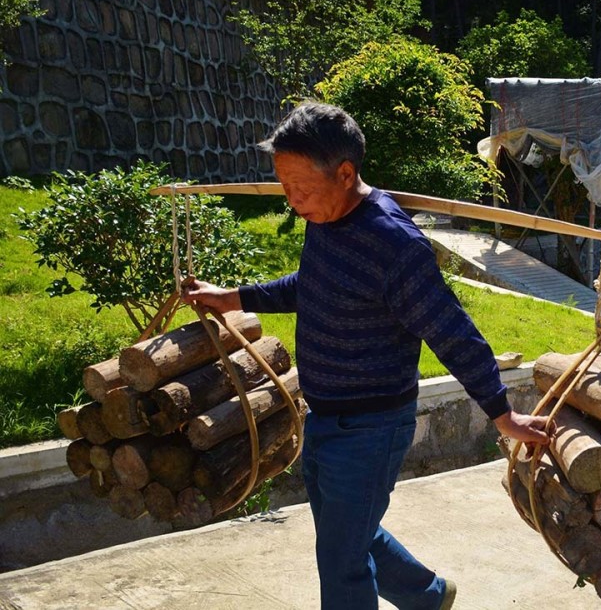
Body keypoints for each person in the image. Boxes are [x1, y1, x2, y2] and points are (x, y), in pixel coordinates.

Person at [181, 102, 550, 610]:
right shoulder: (326, 216)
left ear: (346, 173)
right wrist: (234, 298)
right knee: (349, 532)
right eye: (285, 187)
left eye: (301, 189)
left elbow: (452, 332)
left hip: (372, 426)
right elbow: (314, 287)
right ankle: (428, 596)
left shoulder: (394, 245)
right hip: (327, 416)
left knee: (340, 558)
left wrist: (501, 413)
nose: (292, 202)